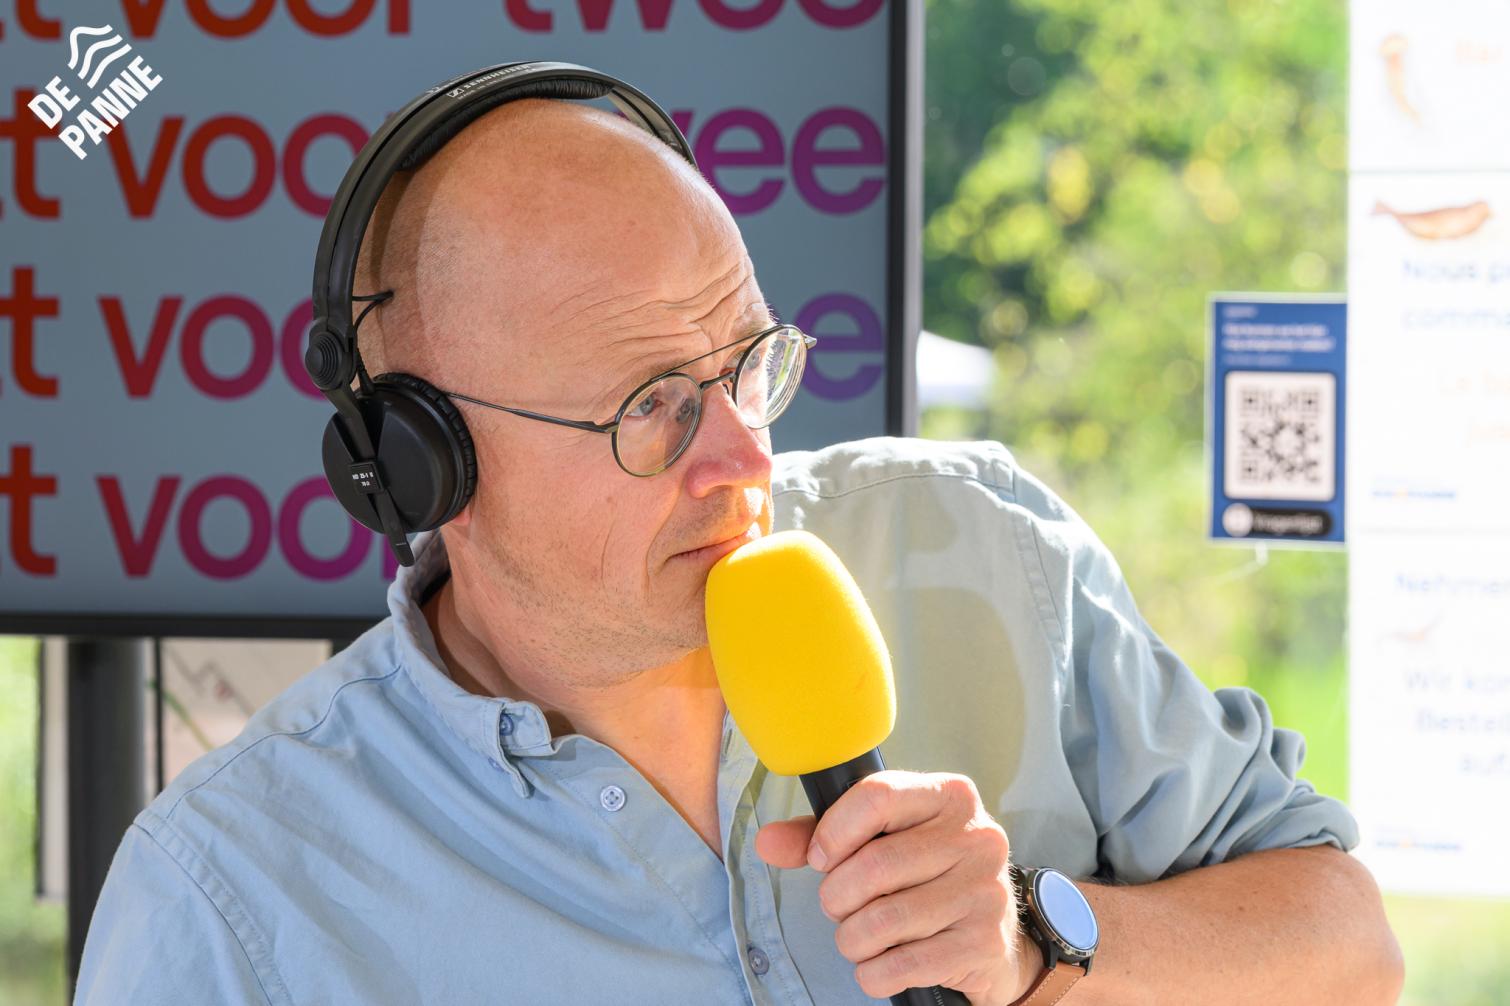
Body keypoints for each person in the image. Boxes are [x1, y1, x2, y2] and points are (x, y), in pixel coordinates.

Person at [75, 95, 1404, 1005]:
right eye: (651, 404)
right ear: (432, 468)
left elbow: (1353, 948)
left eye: (748, 364)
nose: (744, 458)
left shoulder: (978, 546)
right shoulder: (231, 890)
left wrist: (1033, 948)